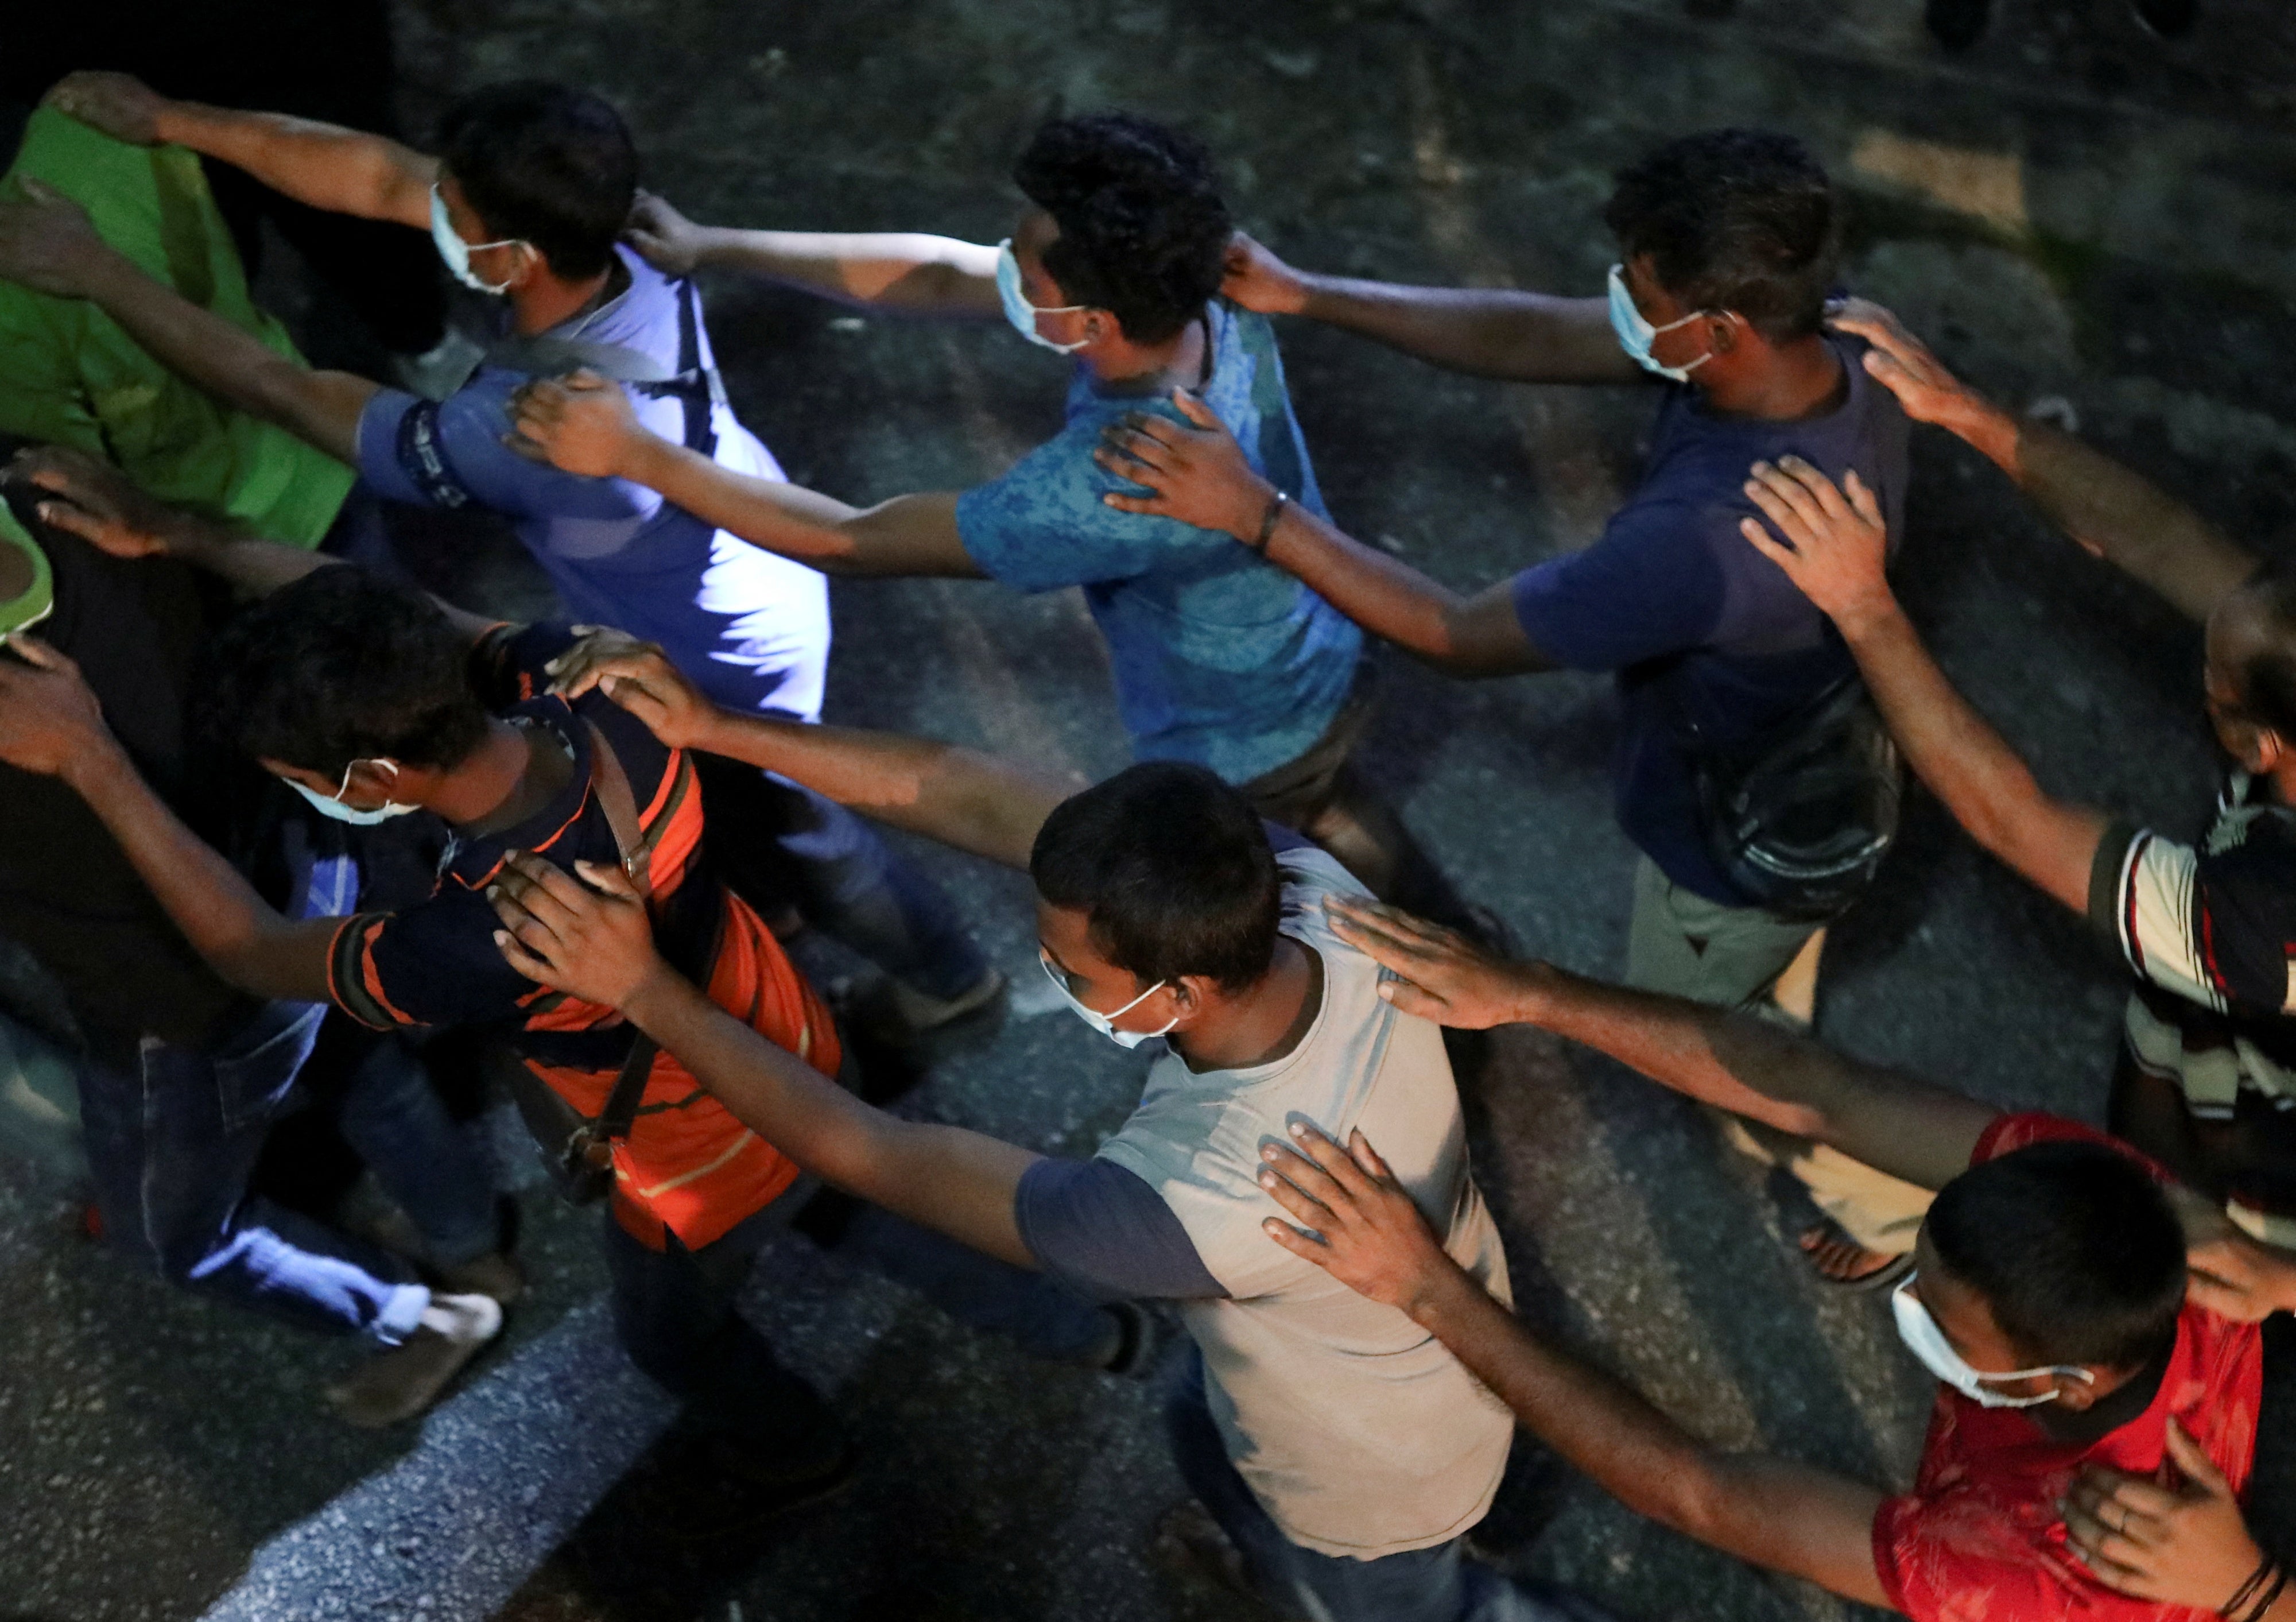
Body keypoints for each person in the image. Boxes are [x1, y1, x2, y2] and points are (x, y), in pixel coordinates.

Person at [0, 466, 1132, 1520]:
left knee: (672, 1336)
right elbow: (403, 612)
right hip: (784, 1023)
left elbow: (250, 950)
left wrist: (90, 758)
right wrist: (181, 533)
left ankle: (797, 1450)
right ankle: (1087, 1329)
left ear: (374, 780)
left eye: (301, 778)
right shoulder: (595, 689)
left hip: (693, 1152)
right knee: (855, 1200)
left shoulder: (483, 929)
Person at [480, 633, 1574, 1622]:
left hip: (1371, 1474)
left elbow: (871, 1151)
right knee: (1206, 1423)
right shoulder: (1301, 889)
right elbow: (967, 792)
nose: (1052, 969)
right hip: (1352, 1343)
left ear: (1180, 991)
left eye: (1075, 970)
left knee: (1386, 1597)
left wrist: (646, 990)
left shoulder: (1191, 1204)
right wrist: (717, 727)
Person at [1093, 127, 1923, 1286]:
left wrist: (1255, 513)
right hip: (1816, 762)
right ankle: (1785, 1010)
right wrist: (1310, 295)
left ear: (1717, 327)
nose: (1616, 304)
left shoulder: (1704, 542)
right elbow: (1537, 335)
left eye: (1638, 291)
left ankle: (1888, 1202)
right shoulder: (1837, 335)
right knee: (1765, 967)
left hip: (1729, 836)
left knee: (1724, 1054)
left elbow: (1454, 632)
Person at [2, 73, 996, 1039]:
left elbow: (282, 391)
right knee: (754, 815)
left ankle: (950, 980)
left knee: (800, 825)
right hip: (738, 555)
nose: (426, 207)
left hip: (717, 645)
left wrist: (97, 273)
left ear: (513, 254)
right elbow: (382, 178)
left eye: (451, 208)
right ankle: (778, 900)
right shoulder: (624, 237)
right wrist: (173, 120)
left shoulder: (521, 428)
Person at [1259, 891, 2295, 1622]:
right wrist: (1528, 992)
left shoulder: (2026, 1567)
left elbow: (1704, 1493)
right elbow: (1817, 1090)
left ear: (2064, 1382)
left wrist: (1428, 1289)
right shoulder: (2145, 1218)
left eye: (1942, 1328)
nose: (1910, 1310)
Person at [507, 111, 1440, 906]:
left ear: (1091, 324)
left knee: (1296, 877)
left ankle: (1443, 977)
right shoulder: (1207, 285)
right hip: (1318, 636)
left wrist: (637, 454)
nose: (1006, 273)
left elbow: (851, 539)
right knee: (1339, 808)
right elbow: (946, 275)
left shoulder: (1117, 480)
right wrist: (716, 244)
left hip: (1245, 732)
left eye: (1027, 273)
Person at [1729, 301, 2296, 1237]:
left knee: (2157, 1231)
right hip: (2210, 1039)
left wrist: (1861, 602)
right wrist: (1968, 411)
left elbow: (2011, 818)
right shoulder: (2284, 668)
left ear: (2257, 742)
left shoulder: (2263, 919)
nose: (2203, 652)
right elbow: (2162, 540)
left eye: (2212, 679)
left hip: (2259, 1183)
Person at [0, 448, 512, 1427]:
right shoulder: (61, 493)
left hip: (188, 1000)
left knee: (176, 1237)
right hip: (307, 869)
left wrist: (89, 760)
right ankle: (473, 1242)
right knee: (362, 1060)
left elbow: (232, 947)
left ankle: (424, 1316)